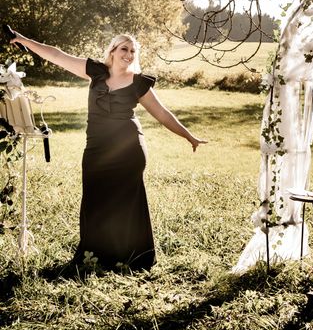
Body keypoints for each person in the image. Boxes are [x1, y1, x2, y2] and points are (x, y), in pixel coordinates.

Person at [9, 31, 207, 270]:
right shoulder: (96, 71)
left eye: (133, 51)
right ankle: (94, 257)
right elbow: (57, 55)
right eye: (124, 49)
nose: (128, 54)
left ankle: (132, 259)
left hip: (128, 149)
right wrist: (24, 39)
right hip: (96, 148)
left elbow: (162, 113)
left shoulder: (138, 82)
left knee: (126, 203)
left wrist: (189, 136)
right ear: (112, 51)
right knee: (95, 200)